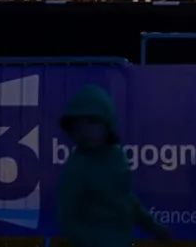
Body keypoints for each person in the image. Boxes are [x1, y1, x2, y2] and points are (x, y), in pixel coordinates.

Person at [56, 84, 172, 247]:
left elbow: (127, 199)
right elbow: (66, 217)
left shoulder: (116, 156)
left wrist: (153, 227)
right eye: (78, 125)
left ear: (108, 124)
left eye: (93, 122)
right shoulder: (76, 166)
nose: (85, 130)